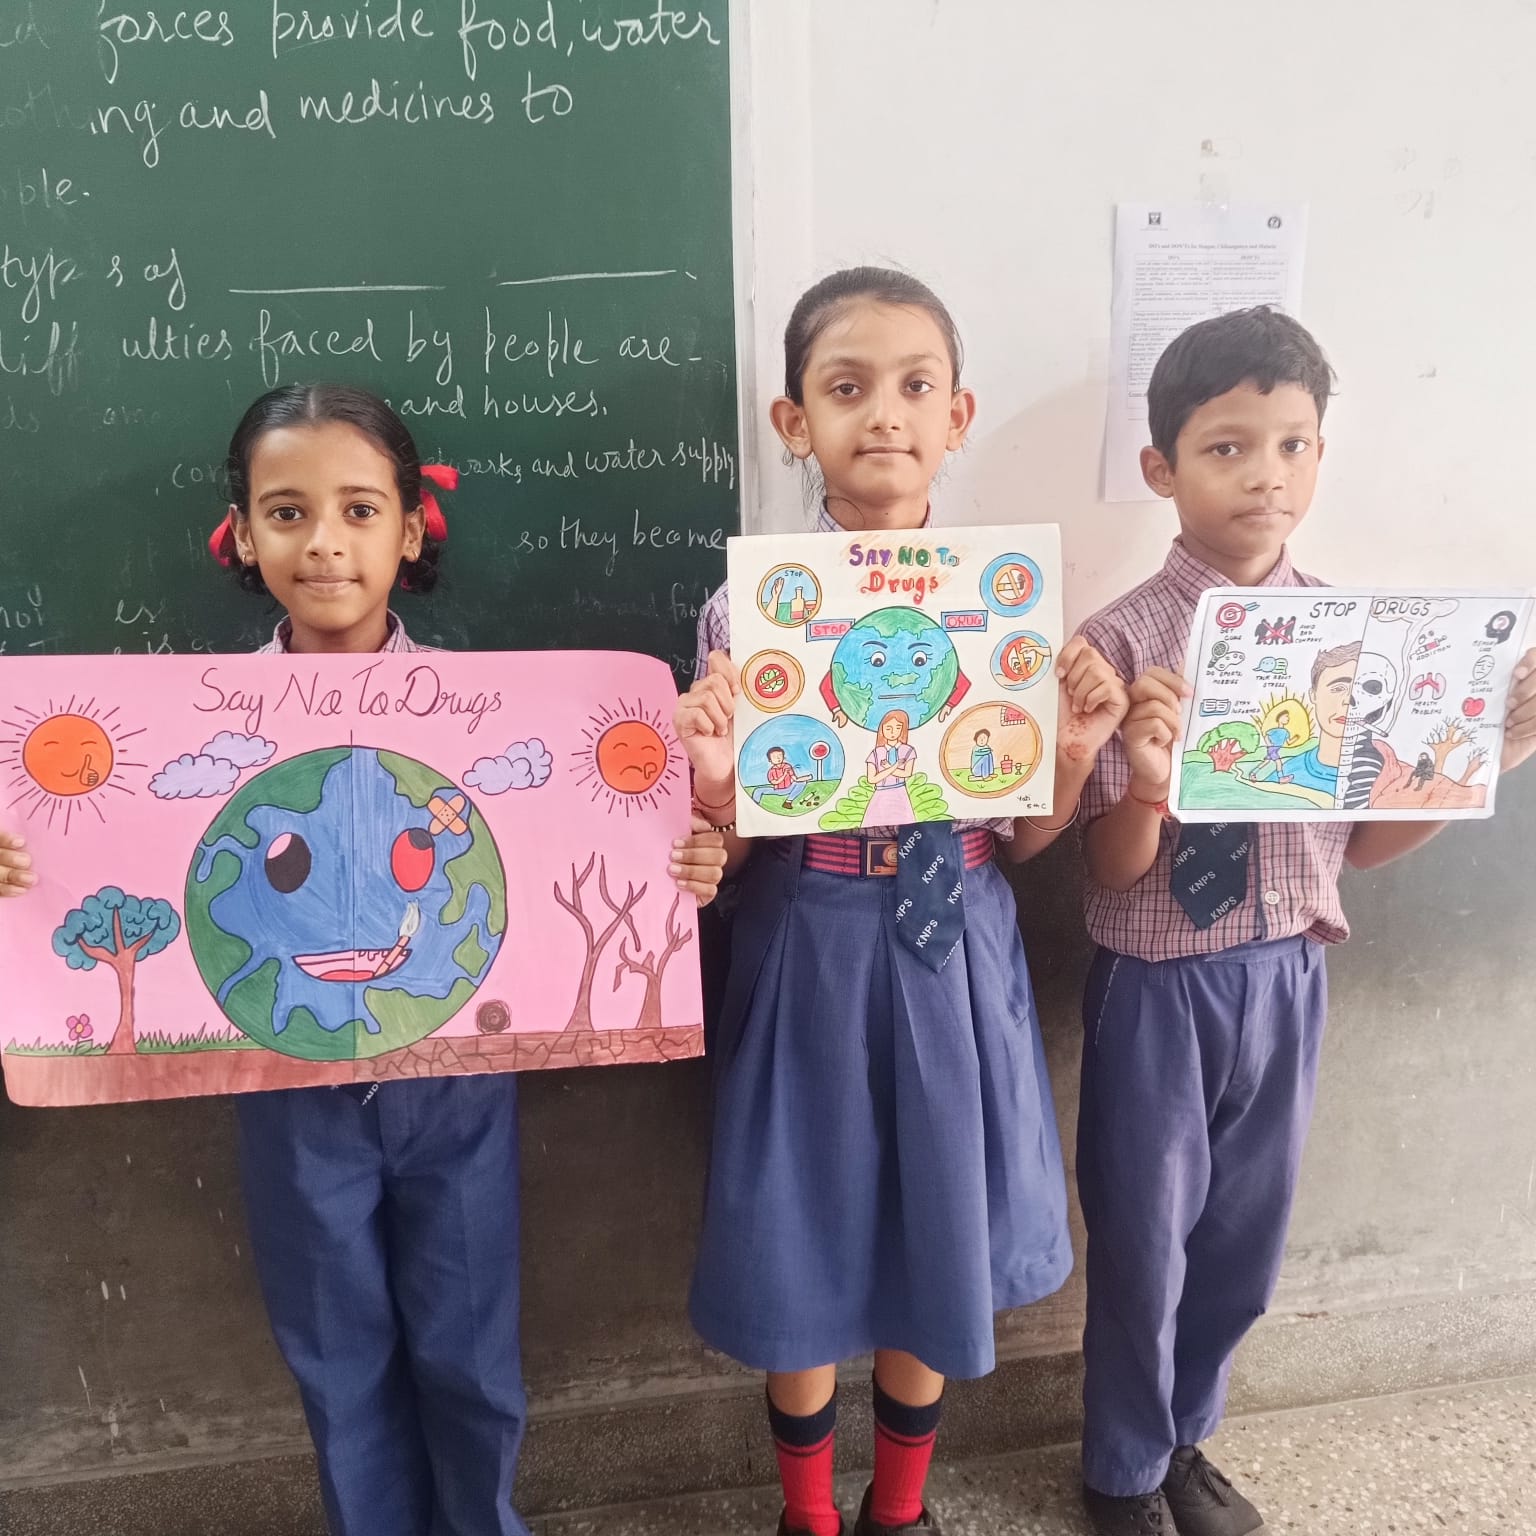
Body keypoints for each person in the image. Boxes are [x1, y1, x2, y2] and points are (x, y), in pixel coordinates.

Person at [204, 382, 726, 1536]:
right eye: (287, 513)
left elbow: (587, 843)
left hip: (459, 1085)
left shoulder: (491, 716)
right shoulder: (191, 727)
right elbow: (136, 863)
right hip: (288, 1084)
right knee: (336, 1358)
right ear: (241, 534)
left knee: (471, 1352)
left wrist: (681, 859)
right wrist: (34, 865)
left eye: (358, 510)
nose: (324, 542)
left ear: (409, 530)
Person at [675, 268, 1127, 1536]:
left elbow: (1025, 837)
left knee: (942, 1220)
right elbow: (737, 838)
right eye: (847, 386)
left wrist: (1073, 753)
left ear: (957, 415)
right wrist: (712, 785)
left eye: (916, 385)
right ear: (794, 421)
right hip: (808, 933)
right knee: (801, 1222)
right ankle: (808, 1516)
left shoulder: (1008, 604)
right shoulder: (749, 605)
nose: (885, 412)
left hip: (959, 933)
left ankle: (902, 1511)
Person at [1072, 307, 1536, 1536]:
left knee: (1243, 1239)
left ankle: (1184, 1438)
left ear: (1322, 457)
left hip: (1286, 975)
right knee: (1144, 1239)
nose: (1265, 476)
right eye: (1227, 447)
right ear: (1161, 468)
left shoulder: (1355, 642)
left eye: (1292, 445)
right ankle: (1119, 1470)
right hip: (1157, 983)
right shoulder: (1117, 644)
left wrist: (1488, 756)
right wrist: (1150, 781)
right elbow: (1110, 869)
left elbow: (1363, 846)